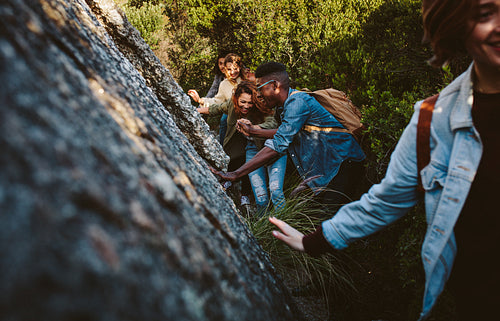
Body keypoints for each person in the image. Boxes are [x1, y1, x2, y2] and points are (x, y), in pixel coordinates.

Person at [269, 0, 500, 319]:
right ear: (457, 26)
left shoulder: (298, 102)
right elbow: (386, 200)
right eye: (487, 14)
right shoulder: (433, 121)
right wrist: (315, 241)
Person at [211, 61, 366, 213]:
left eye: (261, 88)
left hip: (345, 163)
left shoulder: (296, 103)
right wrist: (253, 131)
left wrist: (236, 173)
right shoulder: (285, 107)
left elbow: (278, 145)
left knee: (328, 219)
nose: (258, 94)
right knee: (317, 216)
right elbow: (286, 131)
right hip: (333, 167)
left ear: (275, 86)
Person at [199, 81, 285, 213]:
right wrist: (194, 110)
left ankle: (283, 221)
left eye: (250, 102)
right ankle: (264, 224)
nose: (246, 106)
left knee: (275, 190)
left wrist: (253, 128)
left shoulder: (262, 109)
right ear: (236, 99)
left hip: (270, 149)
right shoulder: (232, 106)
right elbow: (214, 109)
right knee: (260, 195)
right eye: (243, 102)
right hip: (251, 149)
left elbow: (272, 123)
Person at [188, 53, 246, 145]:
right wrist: (200, 100)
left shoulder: (247, 78)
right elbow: (217, 101)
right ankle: (223, 146)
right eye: (229, 69)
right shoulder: (224, 84)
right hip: (234, 117)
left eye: (235, 68)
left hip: (251, 116)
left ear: (240, 67)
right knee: (224, 120)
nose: (232, 72)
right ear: (225, 69)